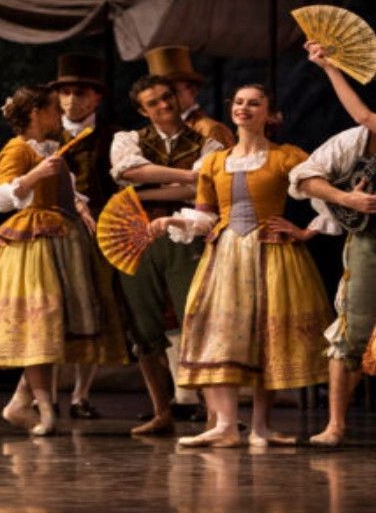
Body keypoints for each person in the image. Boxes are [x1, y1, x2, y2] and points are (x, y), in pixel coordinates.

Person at [153, 84, 330, 447]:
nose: (244, 108)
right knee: (219, 331)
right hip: (226, 254)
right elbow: (204, 218)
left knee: (266, 335)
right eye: (238, 102)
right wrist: (174, 222)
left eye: (254, 103)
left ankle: (261, 427)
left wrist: (305, 231)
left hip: (272, 253)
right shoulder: (215, 162)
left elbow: (325, 196)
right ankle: (226, 425)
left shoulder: (288, 156)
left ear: (270, 114)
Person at [0, 85, 117, 436]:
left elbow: (67, 187)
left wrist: (82, 206)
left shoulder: (53, 148)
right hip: (35, 244)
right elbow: (1, 199)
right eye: (56, 108)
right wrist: (33, 176)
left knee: (55, 329)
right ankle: (41, 407)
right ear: (36, 113)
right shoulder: (17, 149)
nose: (62, 114)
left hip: (64, 238)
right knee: (38, 327)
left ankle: (24, 402)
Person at [109, 75, 223, 435]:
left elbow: (206, 187)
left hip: (185, 234)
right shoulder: (127, 139)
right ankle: (162, 411)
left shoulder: (210, 143)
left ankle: (213, 414)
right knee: (144, 327)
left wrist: (145, 192)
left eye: (166, 97)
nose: (163, 105)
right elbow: (128, 171)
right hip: (136, 237)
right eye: (153, 102)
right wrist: (186, 177)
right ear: (143, 110)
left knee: (196, 322)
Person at [289, 40, 376, 446]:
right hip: (370, 242)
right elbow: (304, 179)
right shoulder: (353, 141)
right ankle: (336, 425)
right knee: (352, 329)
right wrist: (346, 199)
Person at [45, 53, 129, 419]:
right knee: (51, 309)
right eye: (64, 93)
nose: (70, 100)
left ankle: (81, 395)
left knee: (95, 304)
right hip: (53, 231)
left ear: (96, 97)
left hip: (99, 231)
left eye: (79, 93)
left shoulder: (113, 136)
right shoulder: (46, 135)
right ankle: (42, 395)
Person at [145, 46, 235, 149]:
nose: (165, 103)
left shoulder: (210, 130)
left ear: (192, 91)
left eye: (172, 92)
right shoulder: (157, 134)